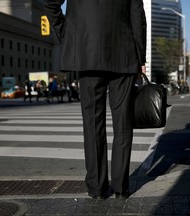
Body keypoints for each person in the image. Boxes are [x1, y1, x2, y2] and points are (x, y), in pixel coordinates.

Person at [43, 0, 147, 200]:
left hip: (85, 50)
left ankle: (98, 189)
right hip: (123, 54)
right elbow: (137, 15)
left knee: (92, 124)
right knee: (123, 124)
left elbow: (49, 3)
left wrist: (67, 35)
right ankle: (121, 188)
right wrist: (140, 57)